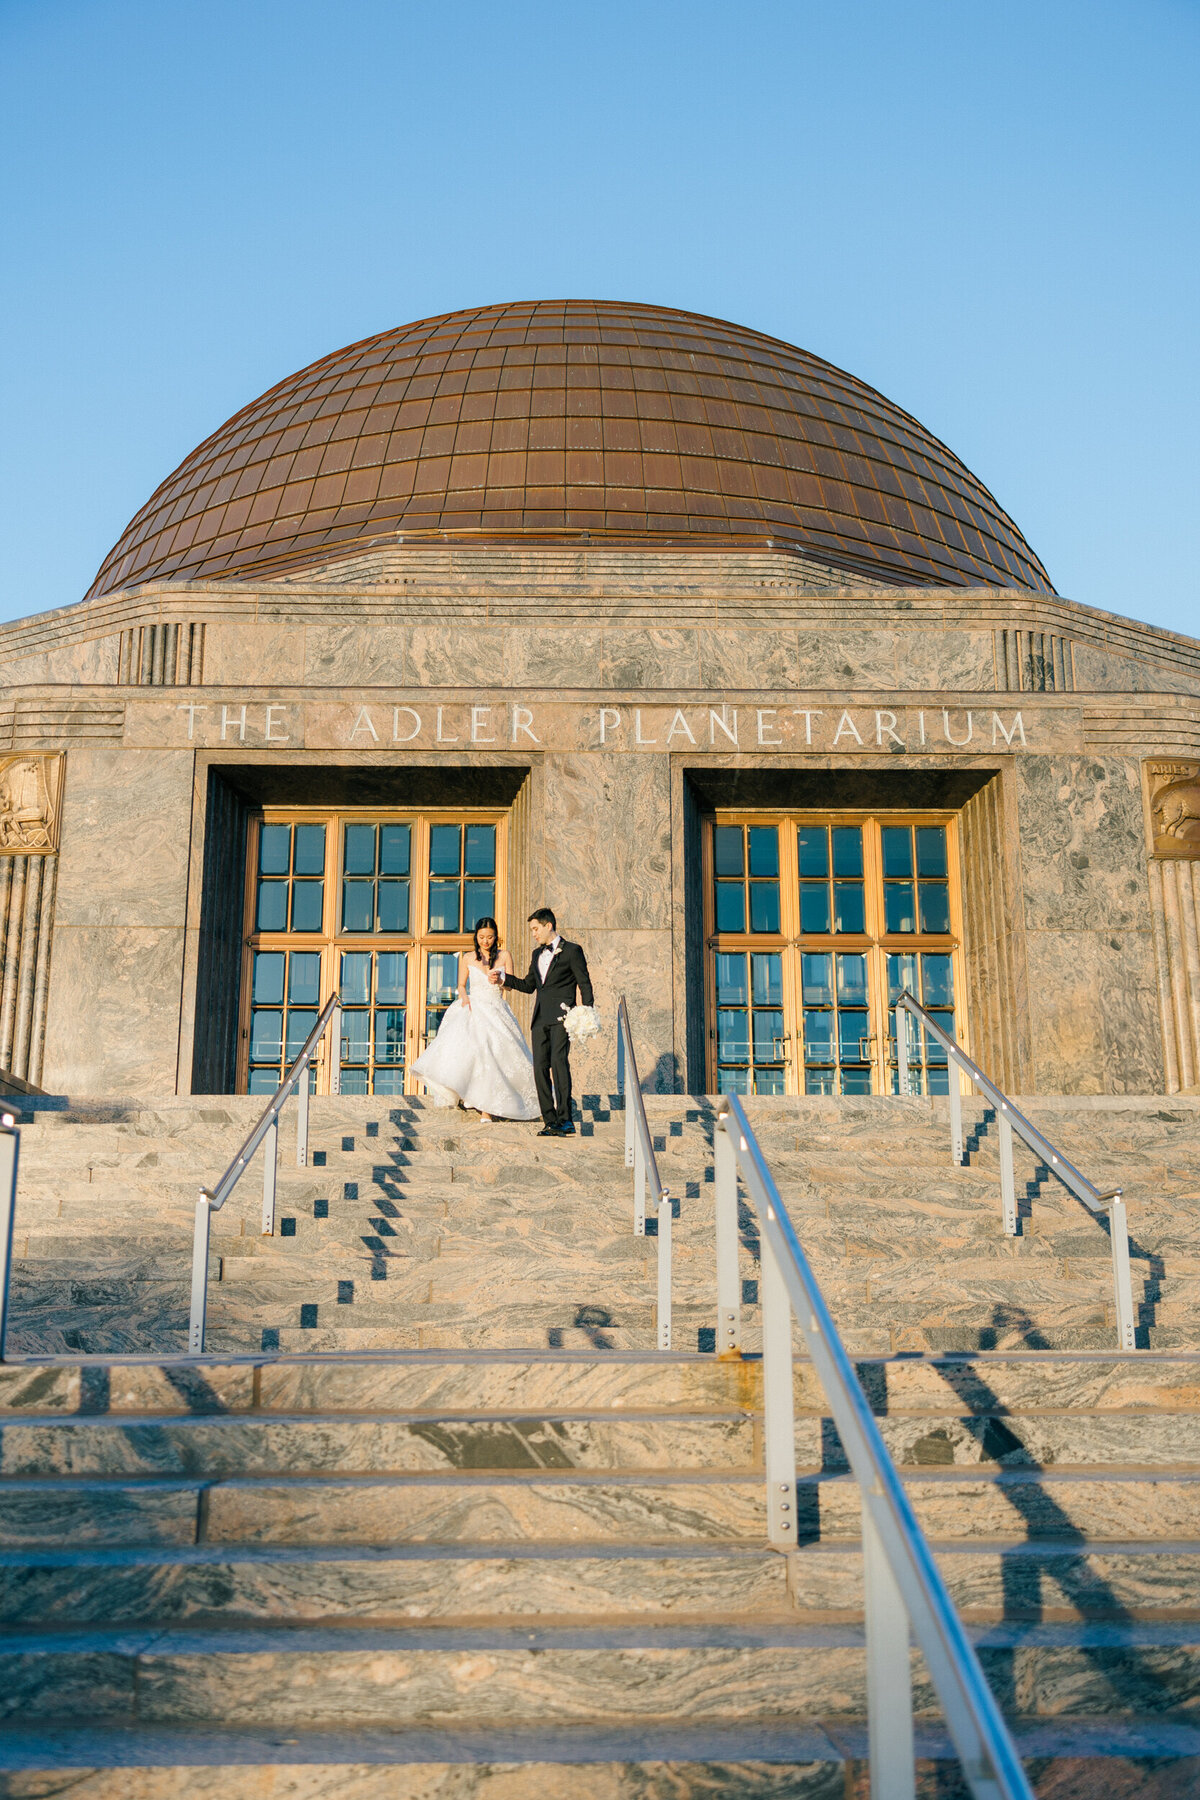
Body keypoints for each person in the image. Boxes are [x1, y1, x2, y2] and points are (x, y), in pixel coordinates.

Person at [412, 918, 539, 1123]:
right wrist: (465, 999)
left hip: (496, 1009)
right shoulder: (468, 958)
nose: (485, 941)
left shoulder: (505, 955)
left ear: (495, 937)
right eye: (481, 937)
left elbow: (510, 986)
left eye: (489, 937)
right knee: (476, 1054)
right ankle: (477, 1100)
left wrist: (500, 980)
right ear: (476, 937)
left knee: (496, 1055)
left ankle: (494, 1104)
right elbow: (461, 985)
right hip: (473, 1007)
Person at [493, 908, 593, 1137]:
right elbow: (529, 985)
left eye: (535, 929)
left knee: (559, 1063)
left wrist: (586, 1012)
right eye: (531, 930)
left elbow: (584, 983)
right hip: (540, 1019)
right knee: (539, 1068)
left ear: (549, 926)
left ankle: (565, 1119)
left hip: (562, 1017)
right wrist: (503, 978)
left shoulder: (572, 951)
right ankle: (550, 1120)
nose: (534, 934)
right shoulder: (536, 955)